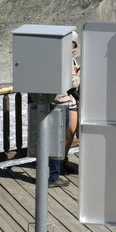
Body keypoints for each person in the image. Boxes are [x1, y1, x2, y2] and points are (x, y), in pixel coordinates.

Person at [48, 39, 82, 187]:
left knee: (64, 135)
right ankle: (54, 174)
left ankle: (57, 167)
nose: (74, 50)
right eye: (73, 47)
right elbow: (73, 83)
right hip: (62, 102)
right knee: (59, 138)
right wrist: (77, 75)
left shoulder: (57, 58)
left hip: (63, 102)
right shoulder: (65, 61)